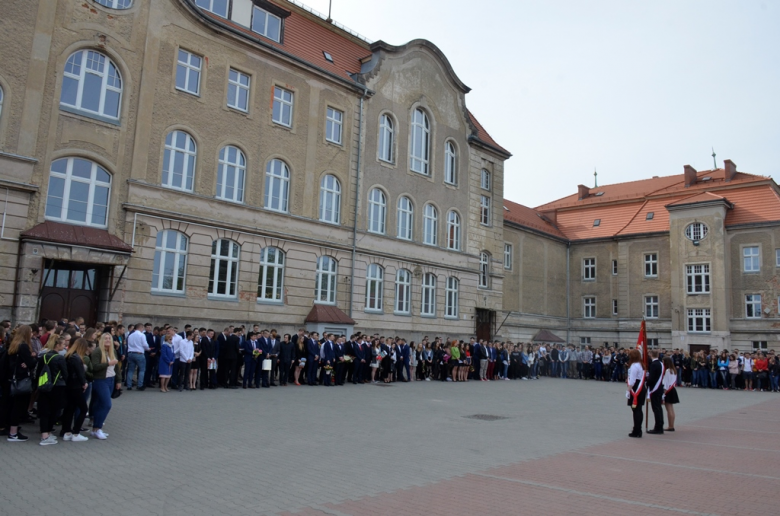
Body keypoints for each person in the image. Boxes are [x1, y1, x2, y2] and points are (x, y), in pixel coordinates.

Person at [2, 326, 36, 442]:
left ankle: (9, 428)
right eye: (30, 332)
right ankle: (13, 433)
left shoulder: (13, 345)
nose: (32, 334)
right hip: (21, 380)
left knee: (12, 405)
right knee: (19, 406)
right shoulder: (24, 346)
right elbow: (31, 363)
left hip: (11, 380)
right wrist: (33, 357)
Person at [89, 333, 118, 439]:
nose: (107, 340)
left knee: (100, 404)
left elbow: (117, 368)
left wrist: (118, 381)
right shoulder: (97, 351)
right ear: (101, 340)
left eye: (109, 339)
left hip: (111, 379)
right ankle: (97, 428)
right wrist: (108, 364)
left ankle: (95, 429)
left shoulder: (112, 351)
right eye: (105, 338)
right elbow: (94, 367)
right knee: (106, 404)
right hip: (100, 380)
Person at [60, 337, 89, 442]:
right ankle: (76, 432)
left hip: (68, 386)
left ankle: (66, 431)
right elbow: (80, 373)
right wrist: (84, 383)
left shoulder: (68, 356)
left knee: (69, 408)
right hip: (76, 386)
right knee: (83, 409)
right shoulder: (77, 358)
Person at [626, 349, 646, 438]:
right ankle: (638, 429)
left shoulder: (634, 366)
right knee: (639, 409)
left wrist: (628, 390)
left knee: (636, 410)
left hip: (636, 387)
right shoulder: (640, 365)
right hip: (641, 386)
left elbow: (632, 380)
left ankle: (636, 430)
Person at [646, 349, 665, 435]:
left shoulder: (654, 364)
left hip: (655, 388)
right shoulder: (660, 363)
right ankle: (660, 425)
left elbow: (652, 378)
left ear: (651, 355)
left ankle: (658, 427)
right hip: (659, 388)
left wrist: (646, 381)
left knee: (656, 408)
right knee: (659, 408)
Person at [125, 323, 149, 391]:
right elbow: (145, 345)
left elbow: (128, 344)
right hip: (139, 353)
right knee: (142, 369)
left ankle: (129, 385)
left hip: (130, 353)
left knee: (130, 370)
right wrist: (148, 349)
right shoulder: (142, 335)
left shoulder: (130, 335)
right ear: (141, 328)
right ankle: (140, 385)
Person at [661, 356, 679, 432]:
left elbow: (666, 383)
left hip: (668, 390)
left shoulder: (668, 371)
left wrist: (663, 394)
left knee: (669, 409)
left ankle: (670, 426)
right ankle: (671, 425)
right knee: (671, 408)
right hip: (672, 389)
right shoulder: (673, 370)